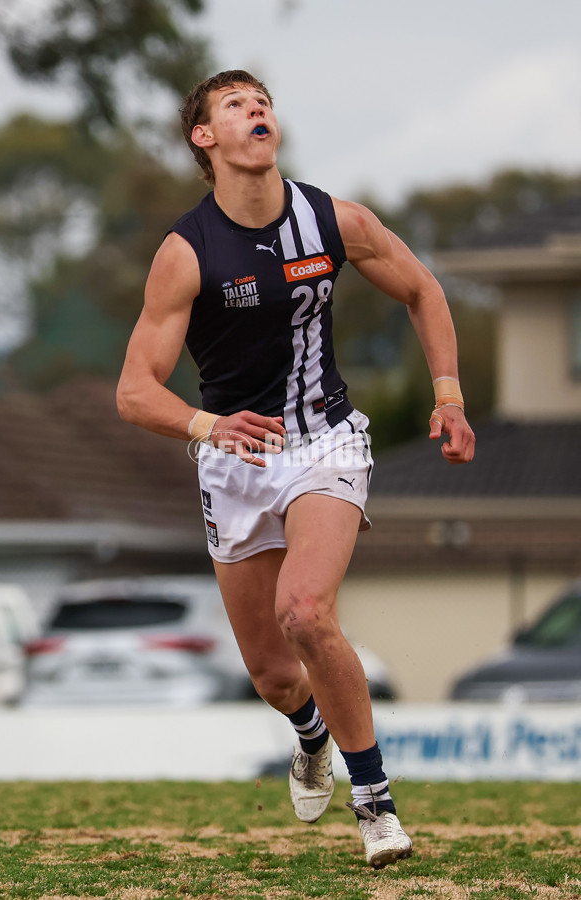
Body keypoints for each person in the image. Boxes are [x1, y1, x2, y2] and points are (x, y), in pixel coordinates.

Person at [117, 69, 475, 869]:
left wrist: (447, 395)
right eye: (236, 104)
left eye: (264, 102)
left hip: (327, 442)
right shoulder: (186, 253)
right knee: (276, 676)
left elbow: (421, 288)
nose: (257, 110)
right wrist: (211, 426)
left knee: (306, 611)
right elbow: (134, 392)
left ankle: (376, 804)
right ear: (204, 139)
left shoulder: (330, 219)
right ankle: (308, 732)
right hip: (235, 459)